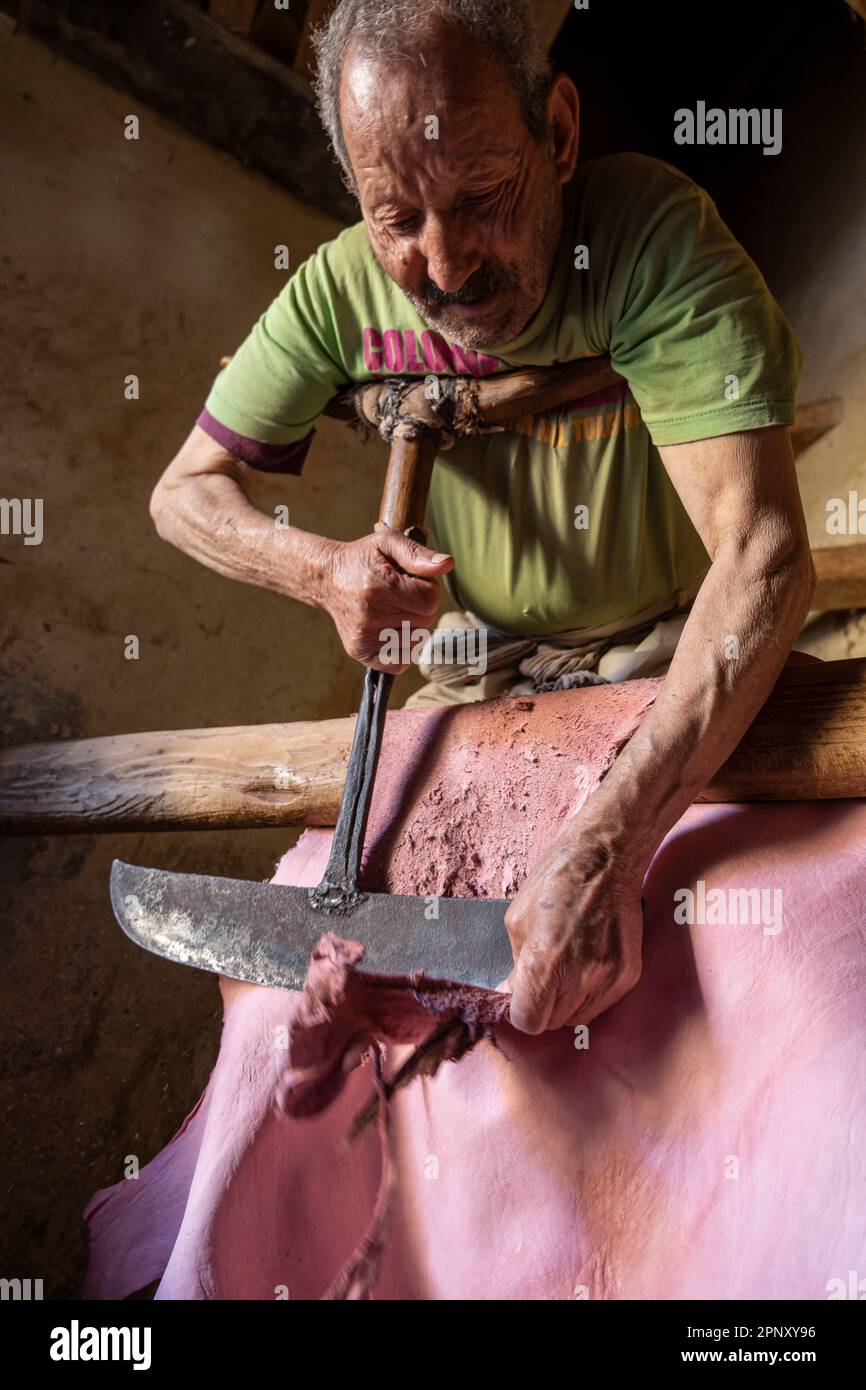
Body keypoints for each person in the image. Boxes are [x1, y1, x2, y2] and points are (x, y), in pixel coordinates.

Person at [149, 0, 815, 1038]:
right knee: (328, 1018)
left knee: (754, 972)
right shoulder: (338, 291)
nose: (448, 265)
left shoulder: (646, 236)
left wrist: (610, 842)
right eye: (398, 220)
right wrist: (320, 571)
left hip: (662, 654)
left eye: (481, 198)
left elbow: (762, 556)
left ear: (555, 133)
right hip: (472, 676)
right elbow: (182, 496)